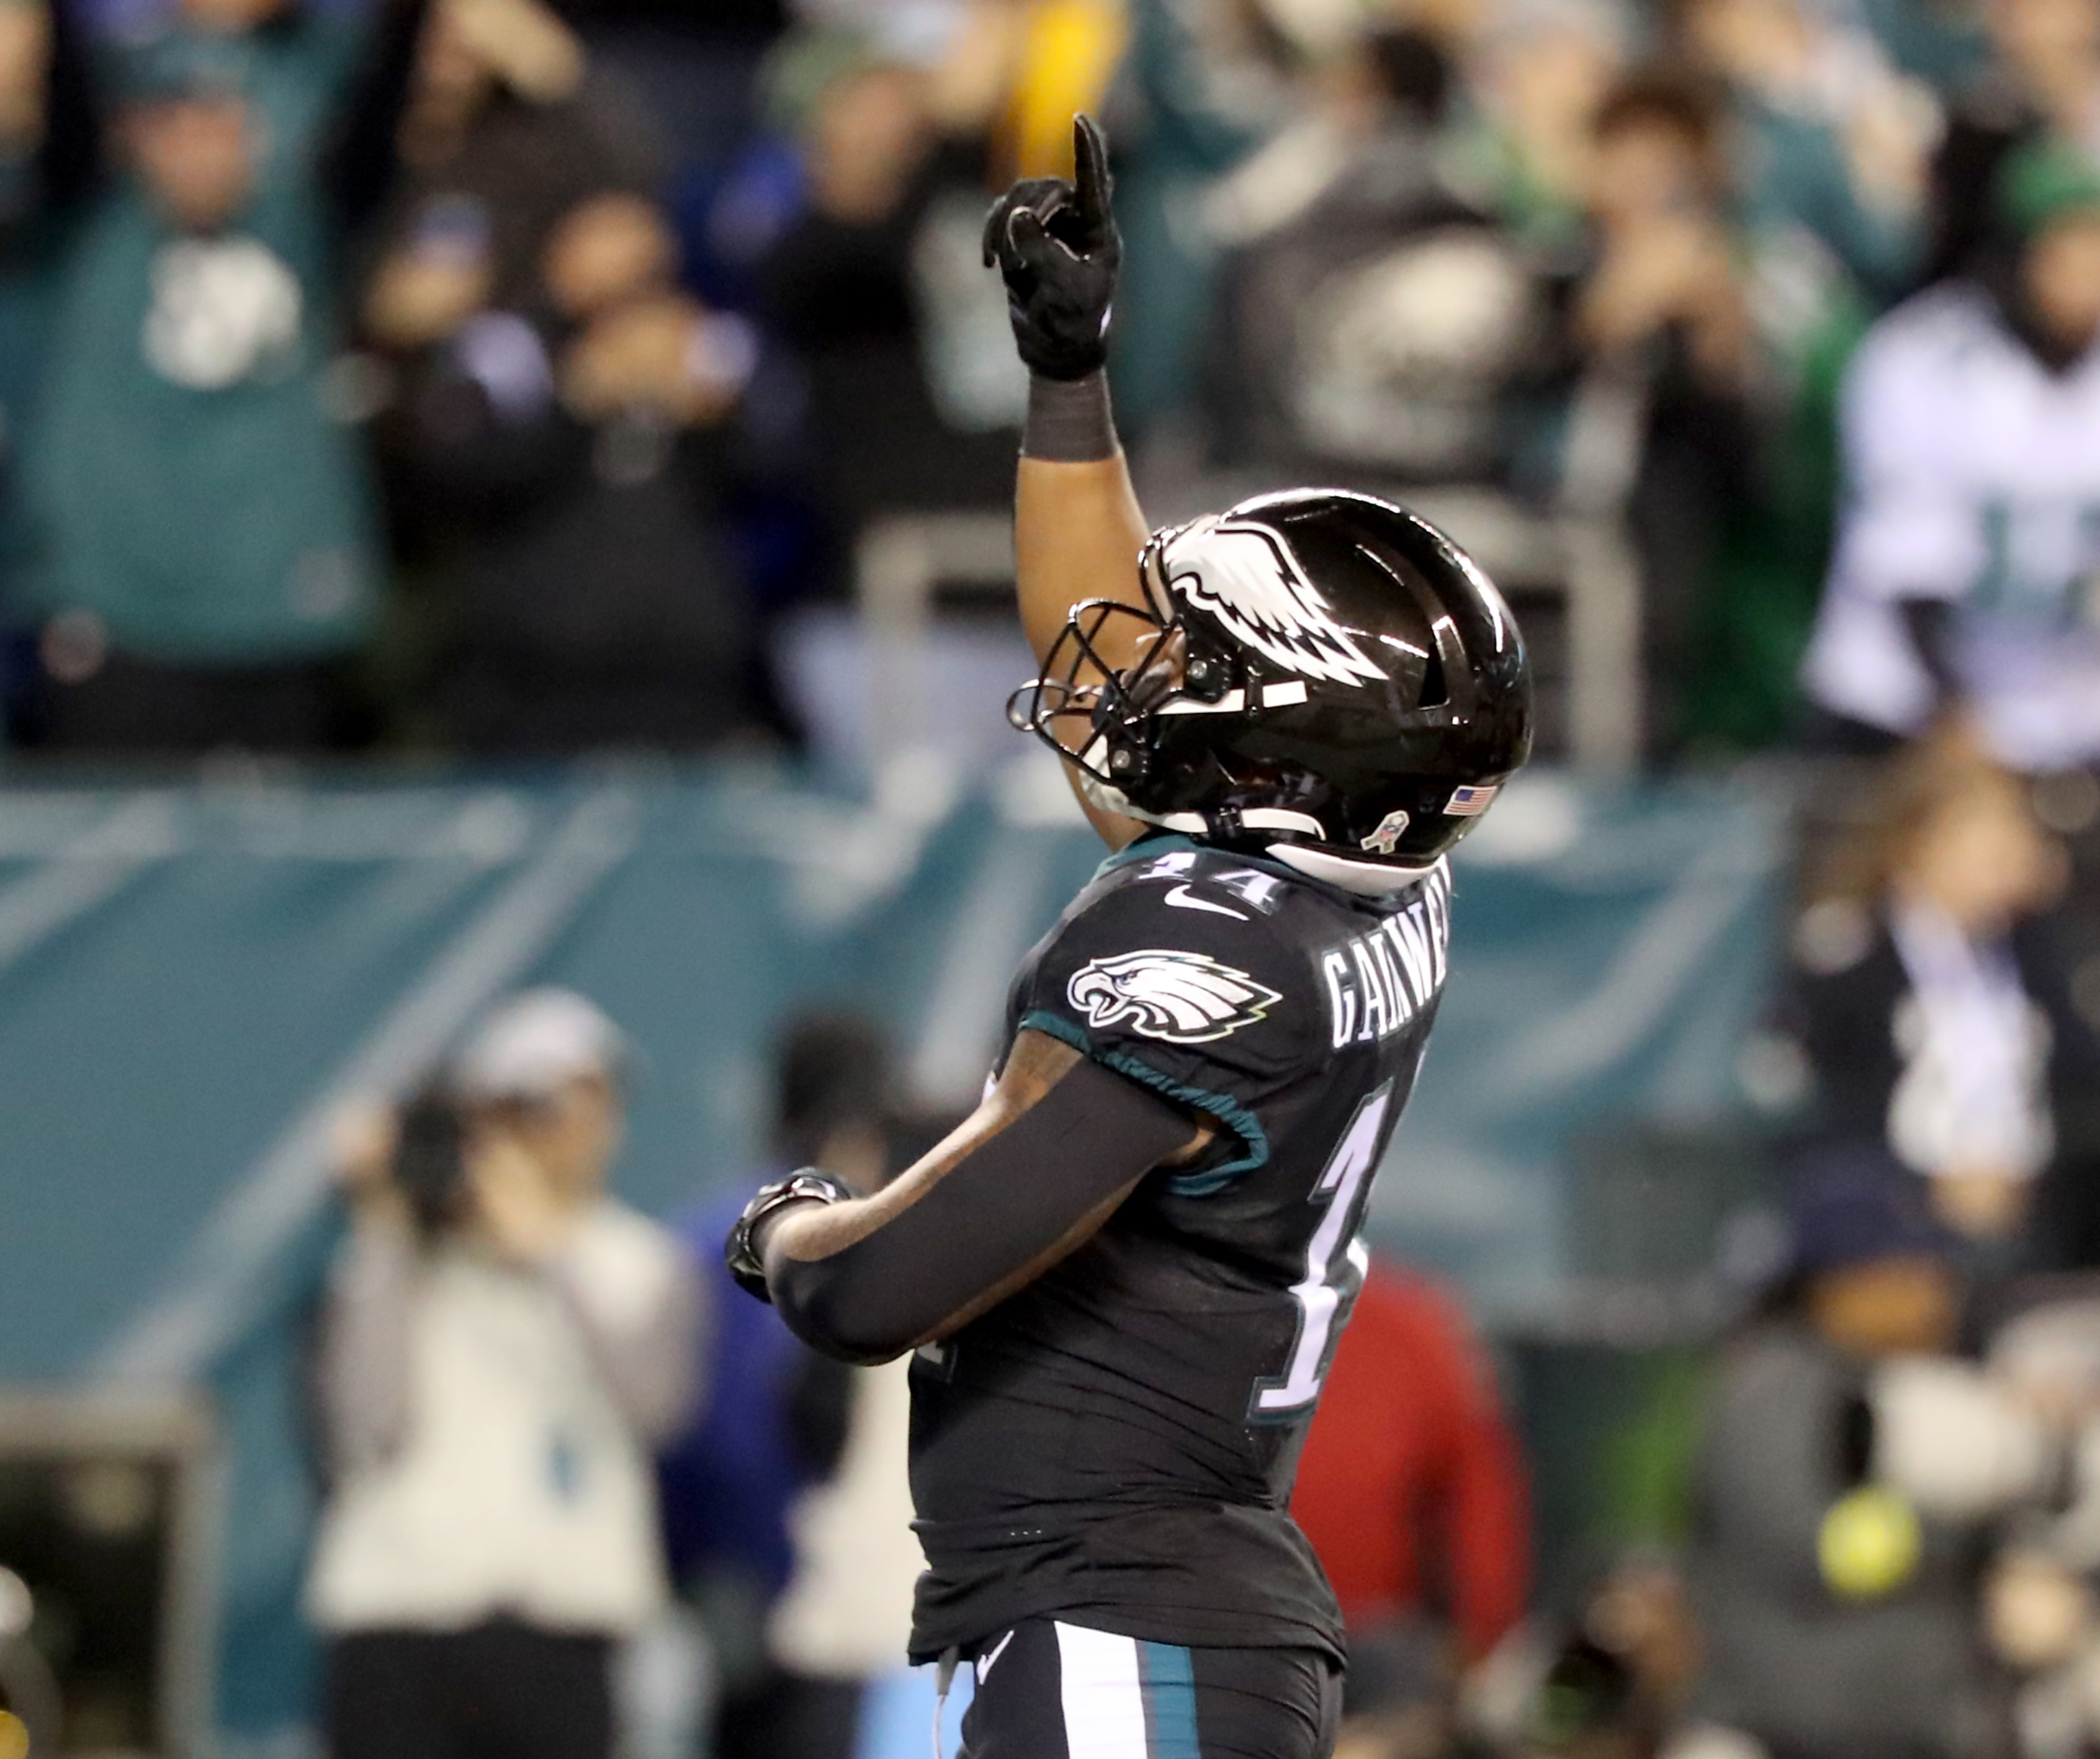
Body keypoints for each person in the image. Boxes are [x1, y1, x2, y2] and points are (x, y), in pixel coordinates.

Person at [723, 113, 1531, 1758]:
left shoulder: (1204, 942)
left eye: (1200, 668)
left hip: (1122, 1610)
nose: (1139, 676)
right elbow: (1110, 686)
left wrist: (789, 1223)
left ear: (1269, 755)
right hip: (1151, 1594)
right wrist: (1068, 377)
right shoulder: (1360, 867)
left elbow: (879, 1288)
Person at [305, 988, 701, 1759]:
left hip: (562, 1633)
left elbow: (658, 1410)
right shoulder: (400, 1259)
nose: (570, 1133)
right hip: (401, 1624)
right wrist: (387, 1217)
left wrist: (549, 1250)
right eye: (535, 1109)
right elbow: (366, 1424)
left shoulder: (638, 1262)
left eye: (592, 1103)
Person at [1687, 1166, 2022, 1759]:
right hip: (1791, 1737)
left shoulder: (1910, 1378)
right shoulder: (1776, 1387)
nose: (1936, 1291)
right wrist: (1959, 1534)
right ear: (1840, 1283)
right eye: (1911, 1272)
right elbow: (1814, 1547)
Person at [658, 1013, 916, 1759]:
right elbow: (714, 1442)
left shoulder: (720, 1237)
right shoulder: (730, 1247)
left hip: (843, 1624)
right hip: (808, 1624)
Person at [1799, 138, 2100, 773]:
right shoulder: (1922, 360)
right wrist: (1959, 724)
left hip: (2064, 719)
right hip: (1906, 708)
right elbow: (1909, 576)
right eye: (2069, 245)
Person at [1769, 725, 2080, 1248]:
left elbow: (2074, 1071)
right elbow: (1821, 1097)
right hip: (1889, 1213)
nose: (2011, 853)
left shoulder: (2032, 950)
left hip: (2023, 1208)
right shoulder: (1849, 952)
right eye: (1988, 834)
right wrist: (1930, 1183)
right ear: (1920, 841)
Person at [1290, 1259, 1531, 1755]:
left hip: (1370, 1659)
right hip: (1289, 1646)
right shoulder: (1421, 1321)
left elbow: (1479, 1520)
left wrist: (1479, 1644)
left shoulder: (1415, 1324)